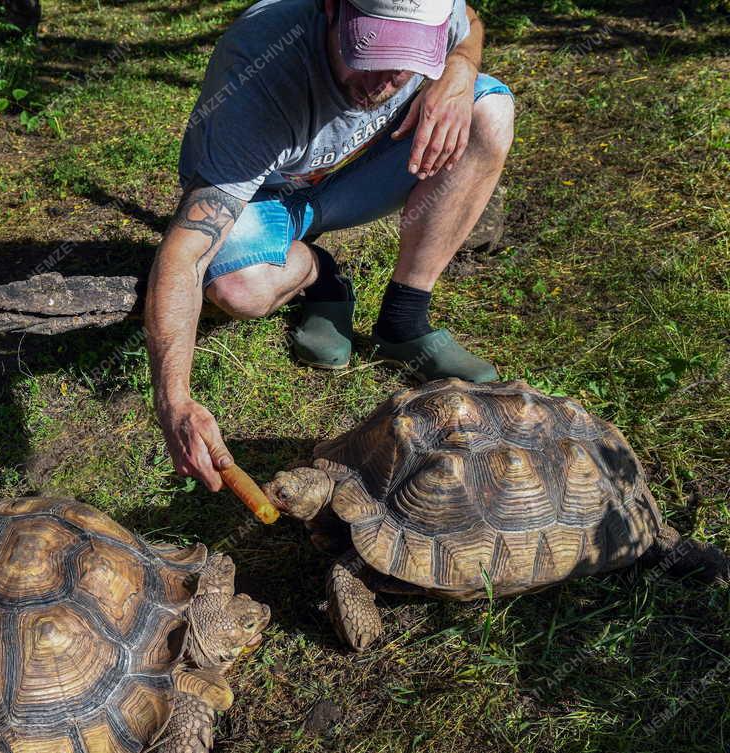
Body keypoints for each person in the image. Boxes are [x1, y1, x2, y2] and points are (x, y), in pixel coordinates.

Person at [145, 0, 515, 491]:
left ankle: (404, 320)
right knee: (239, 289)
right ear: (332, 7)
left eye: (406, 61)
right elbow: (184, 252)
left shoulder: (436, 12)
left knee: (488, 112)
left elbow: (469, 21)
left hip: (349, 180)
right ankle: (318, 272)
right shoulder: (259, 68)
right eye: (369, 52)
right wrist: (175, 401)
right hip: (262, 197)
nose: (383, 82)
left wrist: (460, 71)